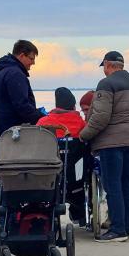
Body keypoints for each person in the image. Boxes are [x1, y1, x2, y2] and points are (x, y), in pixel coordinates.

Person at [79, 51, 129, 242]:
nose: (104, 71)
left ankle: (118, 229)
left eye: (104, 67)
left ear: (108, 65)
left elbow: (100, 117)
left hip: (111, 143)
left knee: (113, 184)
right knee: (127, 183)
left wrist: (84, 135)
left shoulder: (106, 84)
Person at [0, 39, 45, 160]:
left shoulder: (2, 71)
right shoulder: (15, 74)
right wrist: (42, 117)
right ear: (22, 55)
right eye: (31, 58)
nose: (33, 63)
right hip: (10, 133)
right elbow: (21, 106)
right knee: (11, 171)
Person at [36, 87, 87, 223]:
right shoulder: (79, 122)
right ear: (73, 105)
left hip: (50, 173)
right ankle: (79, 215)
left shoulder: (43, 122)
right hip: (75, 176)